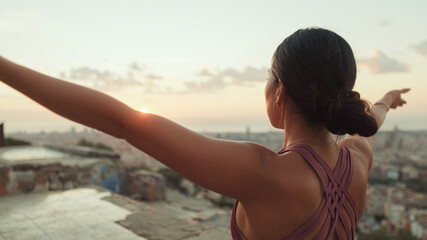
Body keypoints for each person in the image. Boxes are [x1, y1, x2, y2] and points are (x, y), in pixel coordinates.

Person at [0, 27, 409, 240]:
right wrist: (387, 100)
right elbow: (372, 119)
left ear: (280, 91)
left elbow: (122, 121)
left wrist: (5, 68)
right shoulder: (359, 156)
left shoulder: (263, 172)